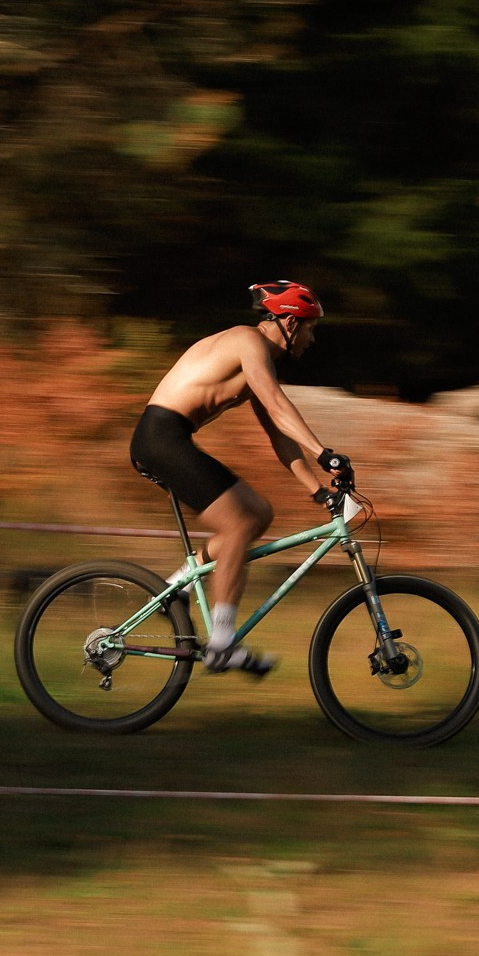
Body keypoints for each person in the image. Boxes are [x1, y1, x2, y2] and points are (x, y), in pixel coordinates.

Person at [131, 281, 352, 676]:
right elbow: (279, 406)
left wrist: (318, 491)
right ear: (290, 323)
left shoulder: (257, 360)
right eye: (311, 328)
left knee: (258, 513)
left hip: (168, 438)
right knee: (238, 522)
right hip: (161, 437)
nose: (313, 339)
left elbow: (279, 435)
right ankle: (222, 643)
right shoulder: (247, 341)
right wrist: (325, 454)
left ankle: (177, 589)